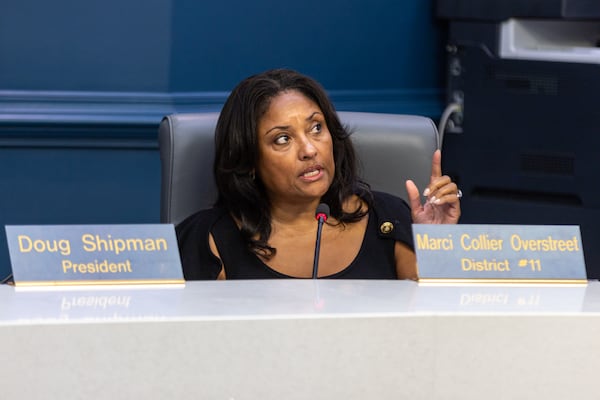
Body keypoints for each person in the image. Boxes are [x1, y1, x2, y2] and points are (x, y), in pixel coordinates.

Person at [176, 68, 461, 280]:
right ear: (248, 160)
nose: (310, 149)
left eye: (316, 128)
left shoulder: (387, 218)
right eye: (283, 139)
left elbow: (433, 333)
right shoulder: (209, 238)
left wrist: (436, 245)